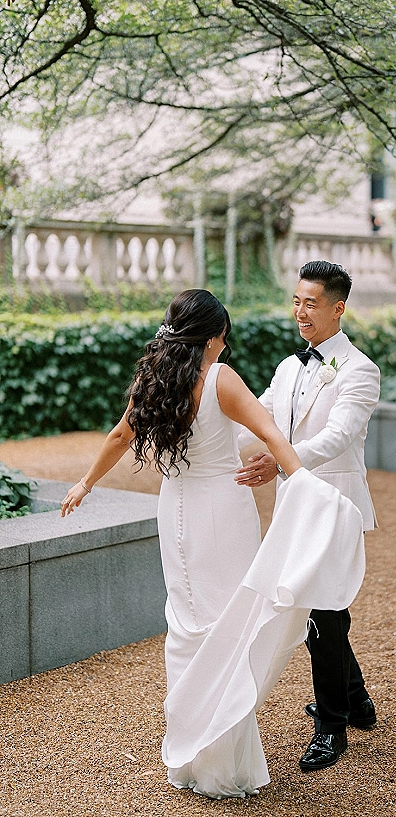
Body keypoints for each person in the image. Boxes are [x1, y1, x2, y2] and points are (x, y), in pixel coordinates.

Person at [60, 288, 366, 799]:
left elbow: (118, 437)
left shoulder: (153, 379)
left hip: (173, 510)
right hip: (222, 512)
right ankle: (224, 763)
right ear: (211, 336)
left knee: (186, 622)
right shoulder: (220, 378)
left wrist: (85, 484)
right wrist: (303, 483)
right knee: (230, 624)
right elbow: (270, 431)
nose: (225, 343)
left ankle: (189, 753)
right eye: (223, 333)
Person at [236, 260, 381, 772]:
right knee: (326, 609)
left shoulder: (361, 370)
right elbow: (259, 415)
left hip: (336, 504)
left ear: (338, 308)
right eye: (296, 300)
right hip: (297, 502)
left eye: (311, 303)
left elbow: (339, 437)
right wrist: (223, 447)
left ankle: (332, 728)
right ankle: (357, 700)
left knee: (321, 612)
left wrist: (279, 461)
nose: (300, 311)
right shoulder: (287, 366)